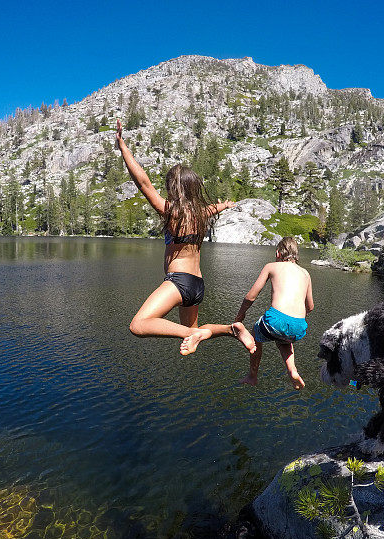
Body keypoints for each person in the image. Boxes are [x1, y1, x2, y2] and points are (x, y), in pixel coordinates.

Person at [116, 120, 234, 345]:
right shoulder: (200, 213)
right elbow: (212, 209)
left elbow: (143, 182)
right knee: (194, 331)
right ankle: (230, 329)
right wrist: (225, 205)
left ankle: (194, 334)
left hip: (179, 282)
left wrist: (123, 146)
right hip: (197, 285)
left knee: (138, 325)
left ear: (173, 188)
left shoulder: (171, 212)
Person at [231, 237, 314, 389]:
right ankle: (292, 370)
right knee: (284, 339)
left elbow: (251, 296)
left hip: (275, 321)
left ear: (278, 253)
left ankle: (252, 376)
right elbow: (310, 307)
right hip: (299, 327)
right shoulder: (305, 274)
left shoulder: (272, 266)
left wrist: (240, 315)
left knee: (256, 333)